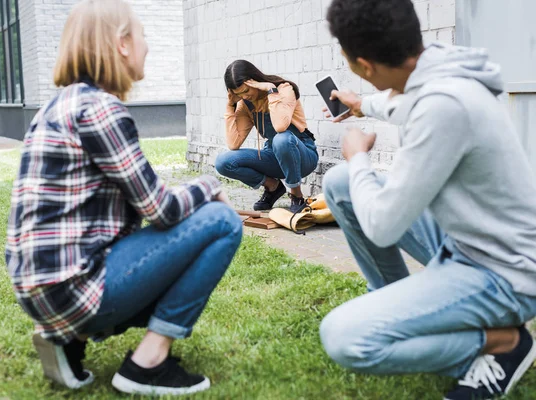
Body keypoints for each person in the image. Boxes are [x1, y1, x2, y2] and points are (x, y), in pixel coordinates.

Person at [5, 0, 242, 395]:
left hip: (39, 289)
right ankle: (146, 365)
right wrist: (209, 186)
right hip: (72, 289)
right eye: (143, 35)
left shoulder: (57, 105)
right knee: (221, 222)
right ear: (121, 44)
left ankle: (69, 339)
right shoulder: (101, 109)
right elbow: (161, 210)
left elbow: (140, 199)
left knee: (189, 224)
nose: (147, 46)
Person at [319, 0, 536, 399]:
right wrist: (360, 104)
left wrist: (360, 156)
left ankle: (503, 343)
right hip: (469, 242)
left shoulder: (443, 107)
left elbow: (383, 227)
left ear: (364, 65)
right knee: (341, 182)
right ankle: (398, 305)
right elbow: (404, 99)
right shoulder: (438, 65)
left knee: (344, 337)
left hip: (506, 273)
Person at [215, 60, 319, 213]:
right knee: (223, 162)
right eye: (238, 94)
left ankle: (296, 195)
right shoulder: (246, 104)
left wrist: (271, 91)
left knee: (281, 139)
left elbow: (280, 126)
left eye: (246, 90)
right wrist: (230, 106)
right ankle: (273, 187)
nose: (244, 96)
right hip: (274, 156)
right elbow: (233, 144)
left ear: (254, 80)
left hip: (303, 156)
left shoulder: (284, 89)